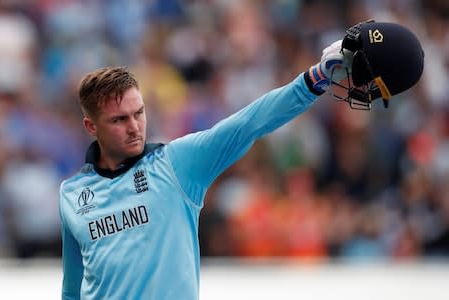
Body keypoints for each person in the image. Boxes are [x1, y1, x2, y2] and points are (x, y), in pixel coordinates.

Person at [59, 21, 424, 300]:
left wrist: (314, 79)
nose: (135, 127)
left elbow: (249, 123)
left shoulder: (175, 164)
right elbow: (73, 290)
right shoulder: (72, 195)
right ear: (91, 126)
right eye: (119, 120)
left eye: (139, 113)